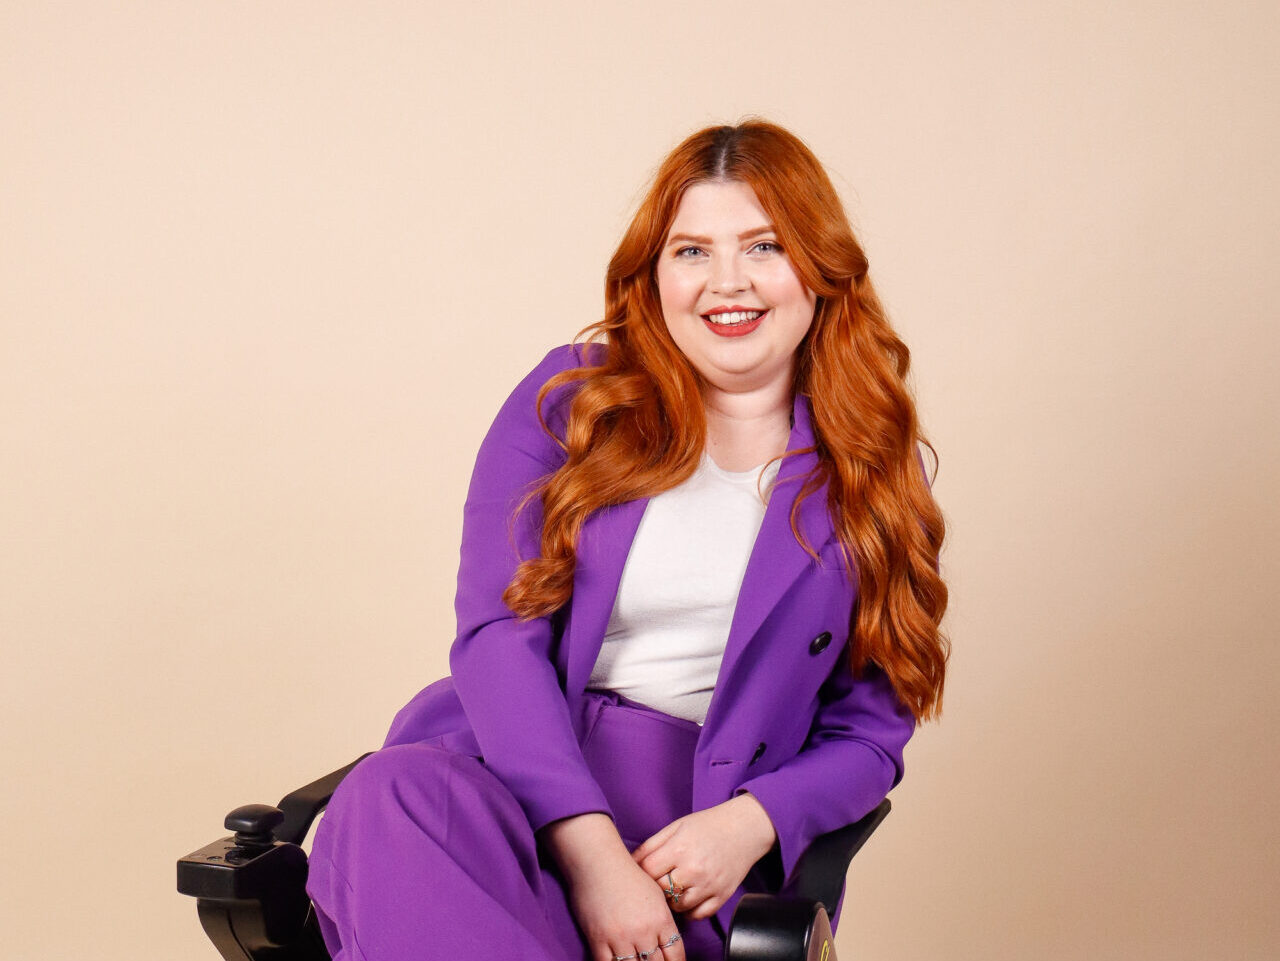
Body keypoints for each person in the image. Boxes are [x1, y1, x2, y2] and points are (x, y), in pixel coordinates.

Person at [305, 119, 948, 961]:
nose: (728, 282)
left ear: (819, 269)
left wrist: (749, 824)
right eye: (692, 251)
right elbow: (497, 633)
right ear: (654, 273)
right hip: (512, 771)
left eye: (764, 246)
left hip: (690, 836)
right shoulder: (569, 399)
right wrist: (592, 856)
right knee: (389, 794)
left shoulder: (871, 473)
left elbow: (869, 734)